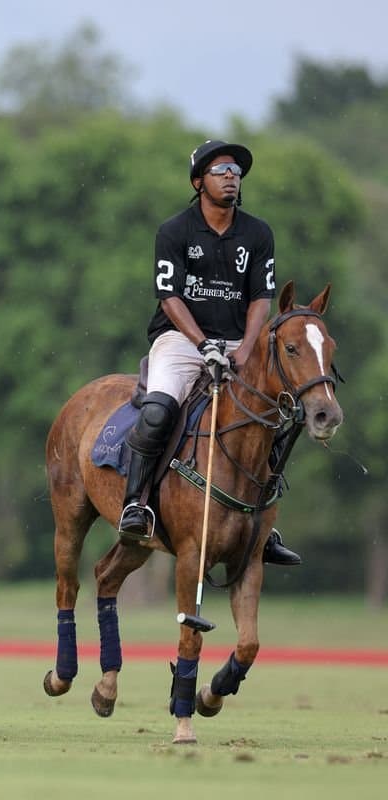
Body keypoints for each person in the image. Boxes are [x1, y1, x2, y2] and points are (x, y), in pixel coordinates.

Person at [117, 139, 300, 566]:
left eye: (236, 171)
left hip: (239, 341)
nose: (231, 177)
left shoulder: (257, 233)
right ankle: (136, 504)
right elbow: (170, 297)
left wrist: (249, 347)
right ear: (199, 181)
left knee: (274, 415)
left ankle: (263, 523)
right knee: (159, 410)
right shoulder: (174, 231)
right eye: (221, 170)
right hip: (181, 338)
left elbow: (261, 298)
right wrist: (203, 345)